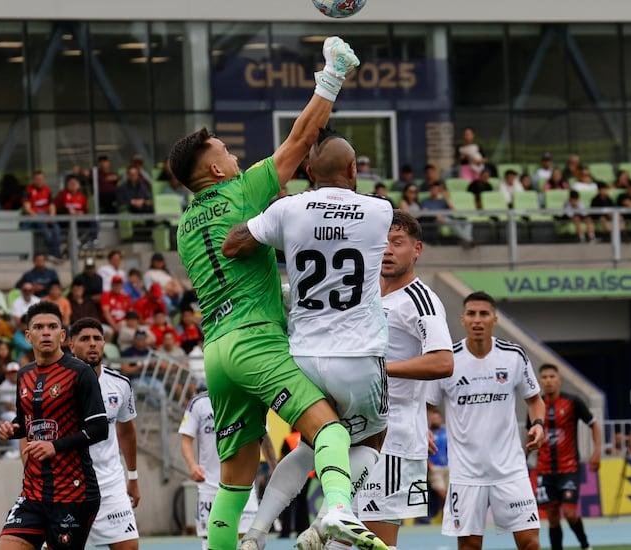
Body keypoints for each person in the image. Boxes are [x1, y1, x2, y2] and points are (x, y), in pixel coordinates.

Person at [167, 36, 385, 550]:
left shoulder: (183, 224)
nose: (234, 152)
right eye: (226, 150)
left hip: (216, 351)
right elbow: (301, 136)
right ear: (216, 171)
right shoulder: (241, 192)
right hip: (257, 339)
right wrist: (332, 75)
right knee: (329, 429)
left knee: (235, 479)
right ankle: (336, 511)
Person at [222, 127, 392, 550]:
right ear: (354, 170)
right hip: (358, 353)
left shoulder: (289, 210)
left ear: (308, 171)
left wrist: (273, 214)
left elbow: (234, 244)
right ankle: (329, 518)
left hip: (302, 356)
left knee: (315, 440)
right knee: (372, 437)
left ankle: (256, 534)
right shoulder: (379, 211)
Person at [357, 210, 453, 545]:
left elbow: (442, 362)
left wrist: (381, 369)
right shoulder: (368, 294)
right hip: (361, 431)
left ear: (416, 249)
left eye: (396, 243)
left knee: (377, 540)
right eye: (382, 242)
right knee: (342, 537)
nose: (386, 250)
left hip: (394, 437)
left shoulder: (421, 300)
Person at [426, 292, 545, 550]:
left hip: (510, 470)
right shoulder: (448, 361)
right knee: (469, 546)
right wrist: (422, 430)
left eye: (483, 314)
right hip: (465, 474)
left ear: (495, 319)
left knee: (530, 542)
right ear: (463, 319)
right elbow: (426, 405)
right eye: (471, 314)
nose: (477, 320)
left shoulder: (513, 356)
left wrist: (538, 424)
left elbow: (535, 400)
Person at [0, 301, 108, 549]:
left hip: (74, 493)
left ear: (62, 334)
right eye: (38, 327)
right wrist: (11, 429)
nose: (45, 332)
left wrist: (55, 446)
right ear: (28, 335)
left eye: (52, 326)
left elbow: (100, 428)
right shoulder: (23, 374)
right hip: (33, 493)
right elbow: (26, 422)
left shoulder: (80, 373)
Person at [68, 318, 142, 550]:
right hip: (67, 483)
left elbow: (127, 432)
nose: (92, 344)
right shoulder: (58, 385)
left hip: (110, 483)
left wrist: (133, 477)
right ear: (71, 345)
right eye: (85, 339)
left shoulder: (120, 384)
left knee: (129, 547)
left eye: (97, 339)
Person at [181, 388, 263, 550]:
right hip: (209, 485)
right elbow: (186, 439)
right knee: (210, 539)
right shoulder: (199, 403)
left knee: (249, 540)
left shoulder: (248, 397)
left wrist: (274, 466)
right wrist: (192, 466)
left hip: (243, 485)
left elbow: (263, 437)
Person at [534, 364, 601, 550]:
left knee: (570, 513)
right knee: (553, 517)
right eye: (544, 377)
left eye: (552, 376)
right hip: (545, 470)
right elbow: (530, 435)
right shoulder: (536, 405)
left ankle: (585, 545)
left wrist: (597, 452)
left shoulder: (573, 402)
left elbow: (594, 424)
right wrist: (521, 458)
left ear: (559, 379)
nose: (548, 380)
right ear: (540, 381)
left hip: (569, 469)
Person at [22, 171, 63, 257]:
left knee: (56, 228)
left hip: (46, 216)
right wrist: (40, 218)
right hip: (34, 218)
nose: (39, 181)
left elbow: (51, 205)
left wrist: (51, 216)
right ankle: (53, 253)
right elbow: (27, 208)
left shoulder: (47, 190)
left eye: (41, 179)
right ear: (33, 180)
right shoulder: (28, 190)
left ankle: (56, 254)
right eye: (37, 179)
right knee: (45, 229)